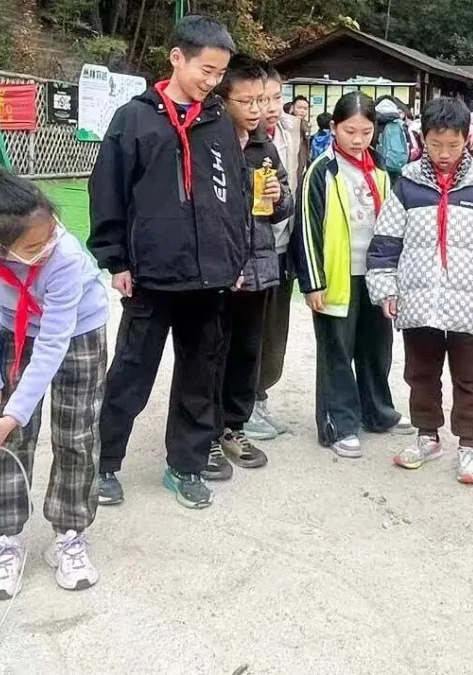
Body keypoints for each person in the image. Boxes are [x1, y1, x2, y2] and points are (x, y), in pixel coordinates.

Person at [87, 15, 250, 510]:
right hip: (151, 275)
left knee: (201, 375)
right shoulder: (134, 119)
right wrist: (116, 259)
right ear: (177, 58)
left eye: (220, 73)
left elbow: (236, 195)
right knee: (131, 371)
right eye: (206, 69)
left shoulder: (218, 121)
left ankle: (186, 465)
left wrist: (235, 257)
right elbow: (108, 190)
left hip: (210, 277)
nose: (212, 81)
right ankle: (103, 463)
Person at [0, 166, 109, 599]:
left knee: (77, 435)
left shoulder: (65, 256)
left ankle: (70, 533)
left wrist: (16, 411)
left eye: (52, 231)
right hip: (15, 331)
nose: (50, 244)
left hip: (78, 331)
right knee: (9, 440)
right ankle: (6, 538)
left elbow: (54, 341)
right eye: (36, 245)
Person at [365, 97, 473, 483]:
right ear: (423, 138)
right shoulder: (407, 186)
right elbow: (385, 244)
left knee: (470, 377)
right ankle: (427, 436)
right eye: (436, 144)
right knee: (421, 373)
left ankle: (469, 445)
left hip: (470, 304)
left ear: (466, 139)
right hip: (419, 300)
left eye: (453, 144)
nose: (444, 153)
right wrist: (386, 288)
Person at [293, 91, 412, 458]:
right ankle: (339, 423)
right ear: (334, 128)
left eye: (365, 132)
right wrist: (313, 282)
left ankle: (377, 411)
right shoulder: (321, 170)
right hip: (336, 276)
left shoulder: (380, 169)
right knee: (337, 352)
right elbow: (307, 228)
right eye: (350, 131)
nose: (358, 140)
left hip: (375, 275)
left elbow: (393, 225)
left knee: (377, 347)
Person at [201, 54, 292, 481]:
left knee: (245, 353)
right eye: (249, 101)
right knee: (207, 355)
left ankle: (233, 427)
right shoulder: (207, 143)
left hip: (257, 268)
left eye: (264, 100)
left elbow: (282, 206)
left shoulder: (263, 147)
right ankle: (203, 434)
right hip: (215, 271)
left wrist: (277, 198)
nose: (259, 110)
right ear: (224, 100)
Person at [242, 64, 309, 441]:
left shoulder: (294, 130)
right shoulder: (240, 136)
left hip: (284, 245)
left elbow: (293, 189)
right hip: (251, 250)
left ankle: (259, 396)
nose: (269, 106)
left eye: (276, 97)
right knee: (248, 331)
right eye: (260, 98)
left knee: (274, 331)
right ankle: (242, 403)